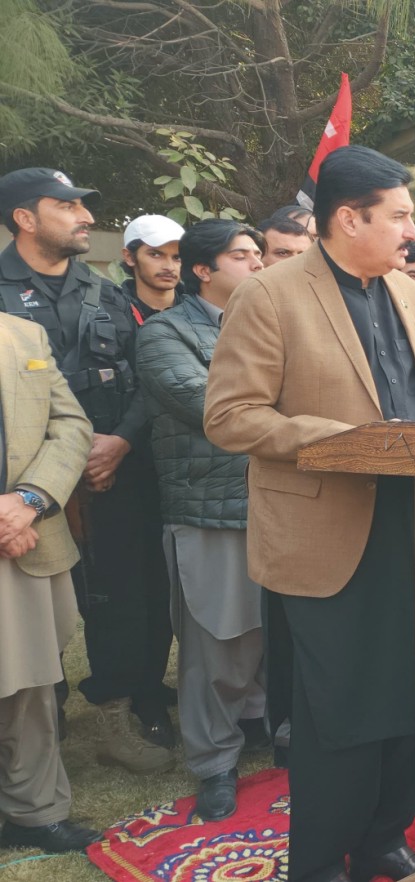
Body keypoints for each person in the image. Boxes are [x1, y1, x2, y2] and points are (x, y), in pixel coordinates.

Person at [204, 145, 415, 882]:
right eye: (401, 216)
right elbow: (230, 417)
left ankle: (384, 836)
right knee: (341, 718)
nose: (412, 232)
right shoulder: (271, 294)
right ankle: (319, 863)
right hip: (327, 540)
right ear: (349, 219)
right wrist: (350, 444)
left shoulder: (411, 292)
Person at [0, 167, 176, 772]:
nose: (85, 217)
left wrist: (121, 442)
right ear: (25, 219)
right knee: (29, 614)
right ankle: (31, 736)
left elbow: (148, 378)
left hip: (110, 476)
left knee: (125, 597)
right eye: (67, 206)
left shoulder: (107, 293)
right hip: (23, 492)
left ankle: (116, 716)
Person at [136, 219, 268, 821]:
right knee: (215, 642)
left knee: (272, 634)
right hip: (210, 510)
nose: (259, 264)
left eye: (259, 253)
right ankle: (214, 763)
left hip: (278, 503)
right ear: (202, 271)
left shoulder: (270, 326)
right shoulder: (165, 333)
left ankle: (265, 728)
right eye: (242, 255)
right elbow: (213, 406)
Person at [0, 310, 96, 853]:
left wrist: (28, 501)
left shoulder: (24, 334)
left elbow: (71, 425)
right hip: (11, 530)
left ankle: (33, 812)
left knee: (30, 683)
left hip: (28, 536)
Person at [119, 214, 185, 321]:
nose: (169, 267)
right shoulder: (111, 311)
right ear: (129, 257)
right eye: (155, 255)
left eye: (177, 257)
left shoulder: (202, 309)